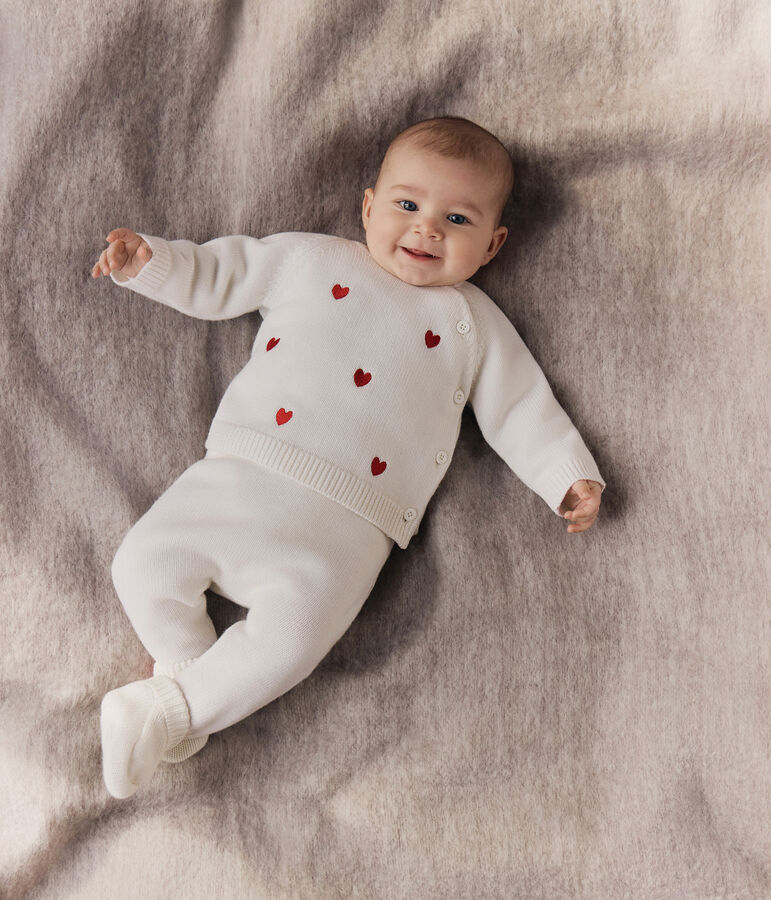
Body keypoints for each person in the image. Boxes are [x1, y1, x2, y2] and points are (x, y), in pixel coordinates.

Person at [92, 116, 605, 799]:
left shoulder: (474, 326)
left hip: (349, 526)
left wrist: (566, 476)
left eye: (456, 218)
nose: (425, 230)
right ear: (367, 207)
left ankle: (166, 709)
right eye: (406, 205)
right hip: (244, 468)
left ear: (492, 244)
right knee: (143, 562)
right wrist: (149, 263)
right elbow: (221, 273)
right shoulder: (311, 258)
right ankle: (180, 687)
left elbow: (520, 408)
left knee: (292, 643)